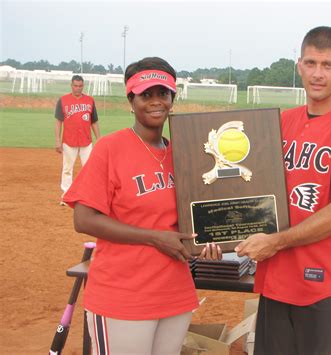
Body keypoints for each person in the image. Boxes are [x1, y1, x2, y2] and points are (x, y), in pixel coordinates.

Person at [235, 26, 331, 354]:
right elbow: (252, 184)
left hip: (323, 284)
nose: (318, 74)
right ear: (299, 65)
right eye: (311, 63)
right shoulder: (282, 121)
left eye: (328, 65)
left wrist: (275, 241)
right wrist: (218, 231)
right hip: (277, 278)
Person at [62, 57, 222, 355]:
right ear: (130, 100)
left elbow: (195, 220)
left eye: (163, 93)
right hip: (123, 295)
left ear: (173, 98)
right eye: (145, 94)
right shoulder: (110, 148)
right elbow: (83, 219)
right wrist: (153, 237)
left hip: (174, 293)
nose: (155, 101)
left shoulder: (185, 154)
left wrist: (211, 243)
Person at [55, 75, 100, 205]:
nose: (78, 88)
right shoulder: (63, 100)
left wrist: (99, 139)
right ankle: (66, 195)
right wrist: (58, 140)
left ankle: (89, 195)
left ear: (83, 86)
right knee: (67, 168)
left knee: (90, 168)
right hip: (69, 140)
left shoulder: (90, 100)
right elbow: (58, 122)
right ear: (71, 85)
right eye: (75, 86)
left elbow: (94, 122)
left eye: (80, 86)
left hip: (86, 141)